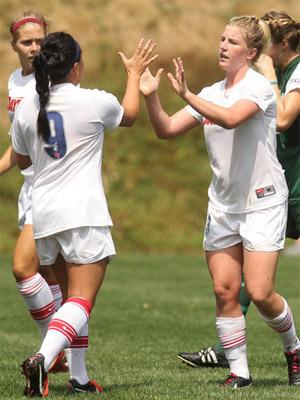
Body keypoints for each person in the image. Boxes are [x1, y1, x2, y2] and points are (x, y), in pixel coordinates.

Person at [140, 15, 300, 387]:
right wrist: (151, 97)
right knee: (224, 290)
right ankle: (239, 373)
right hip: (224, 206)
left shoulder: (259, 88)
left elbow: (230, 119)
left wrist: (187, 95)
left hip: (262, 202)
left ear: (252, 52)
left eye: (232, 42)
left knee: (260, 293)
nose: (223, 46)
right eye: (222, 40)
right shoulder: (211, 92)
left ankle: (293, 347)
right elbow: (165, 130)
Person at [11, 31, 157, 397]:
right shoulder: (92, 101)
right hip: (82, 212)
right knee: (81, 300)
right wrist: (134, 74)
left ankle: (78, 377)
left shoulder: (28, 105)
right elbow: (130, 116)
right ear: (76, 67)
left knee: (68, 298)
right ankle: (43, 358)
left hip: (43, 214)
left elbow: (23, 159)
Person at [0, 10, 67, 373]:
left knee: (24, 268)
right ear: (13, 45)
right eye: (26, 42)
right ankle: (62, 353)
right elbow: (20, 143)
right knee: (49, 272)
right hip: (31, 187)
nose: (34, 47)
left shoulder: (53, 82)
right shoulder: (15, 81)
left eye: (40, 40)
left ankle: (54, 349)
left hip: (52, 188)